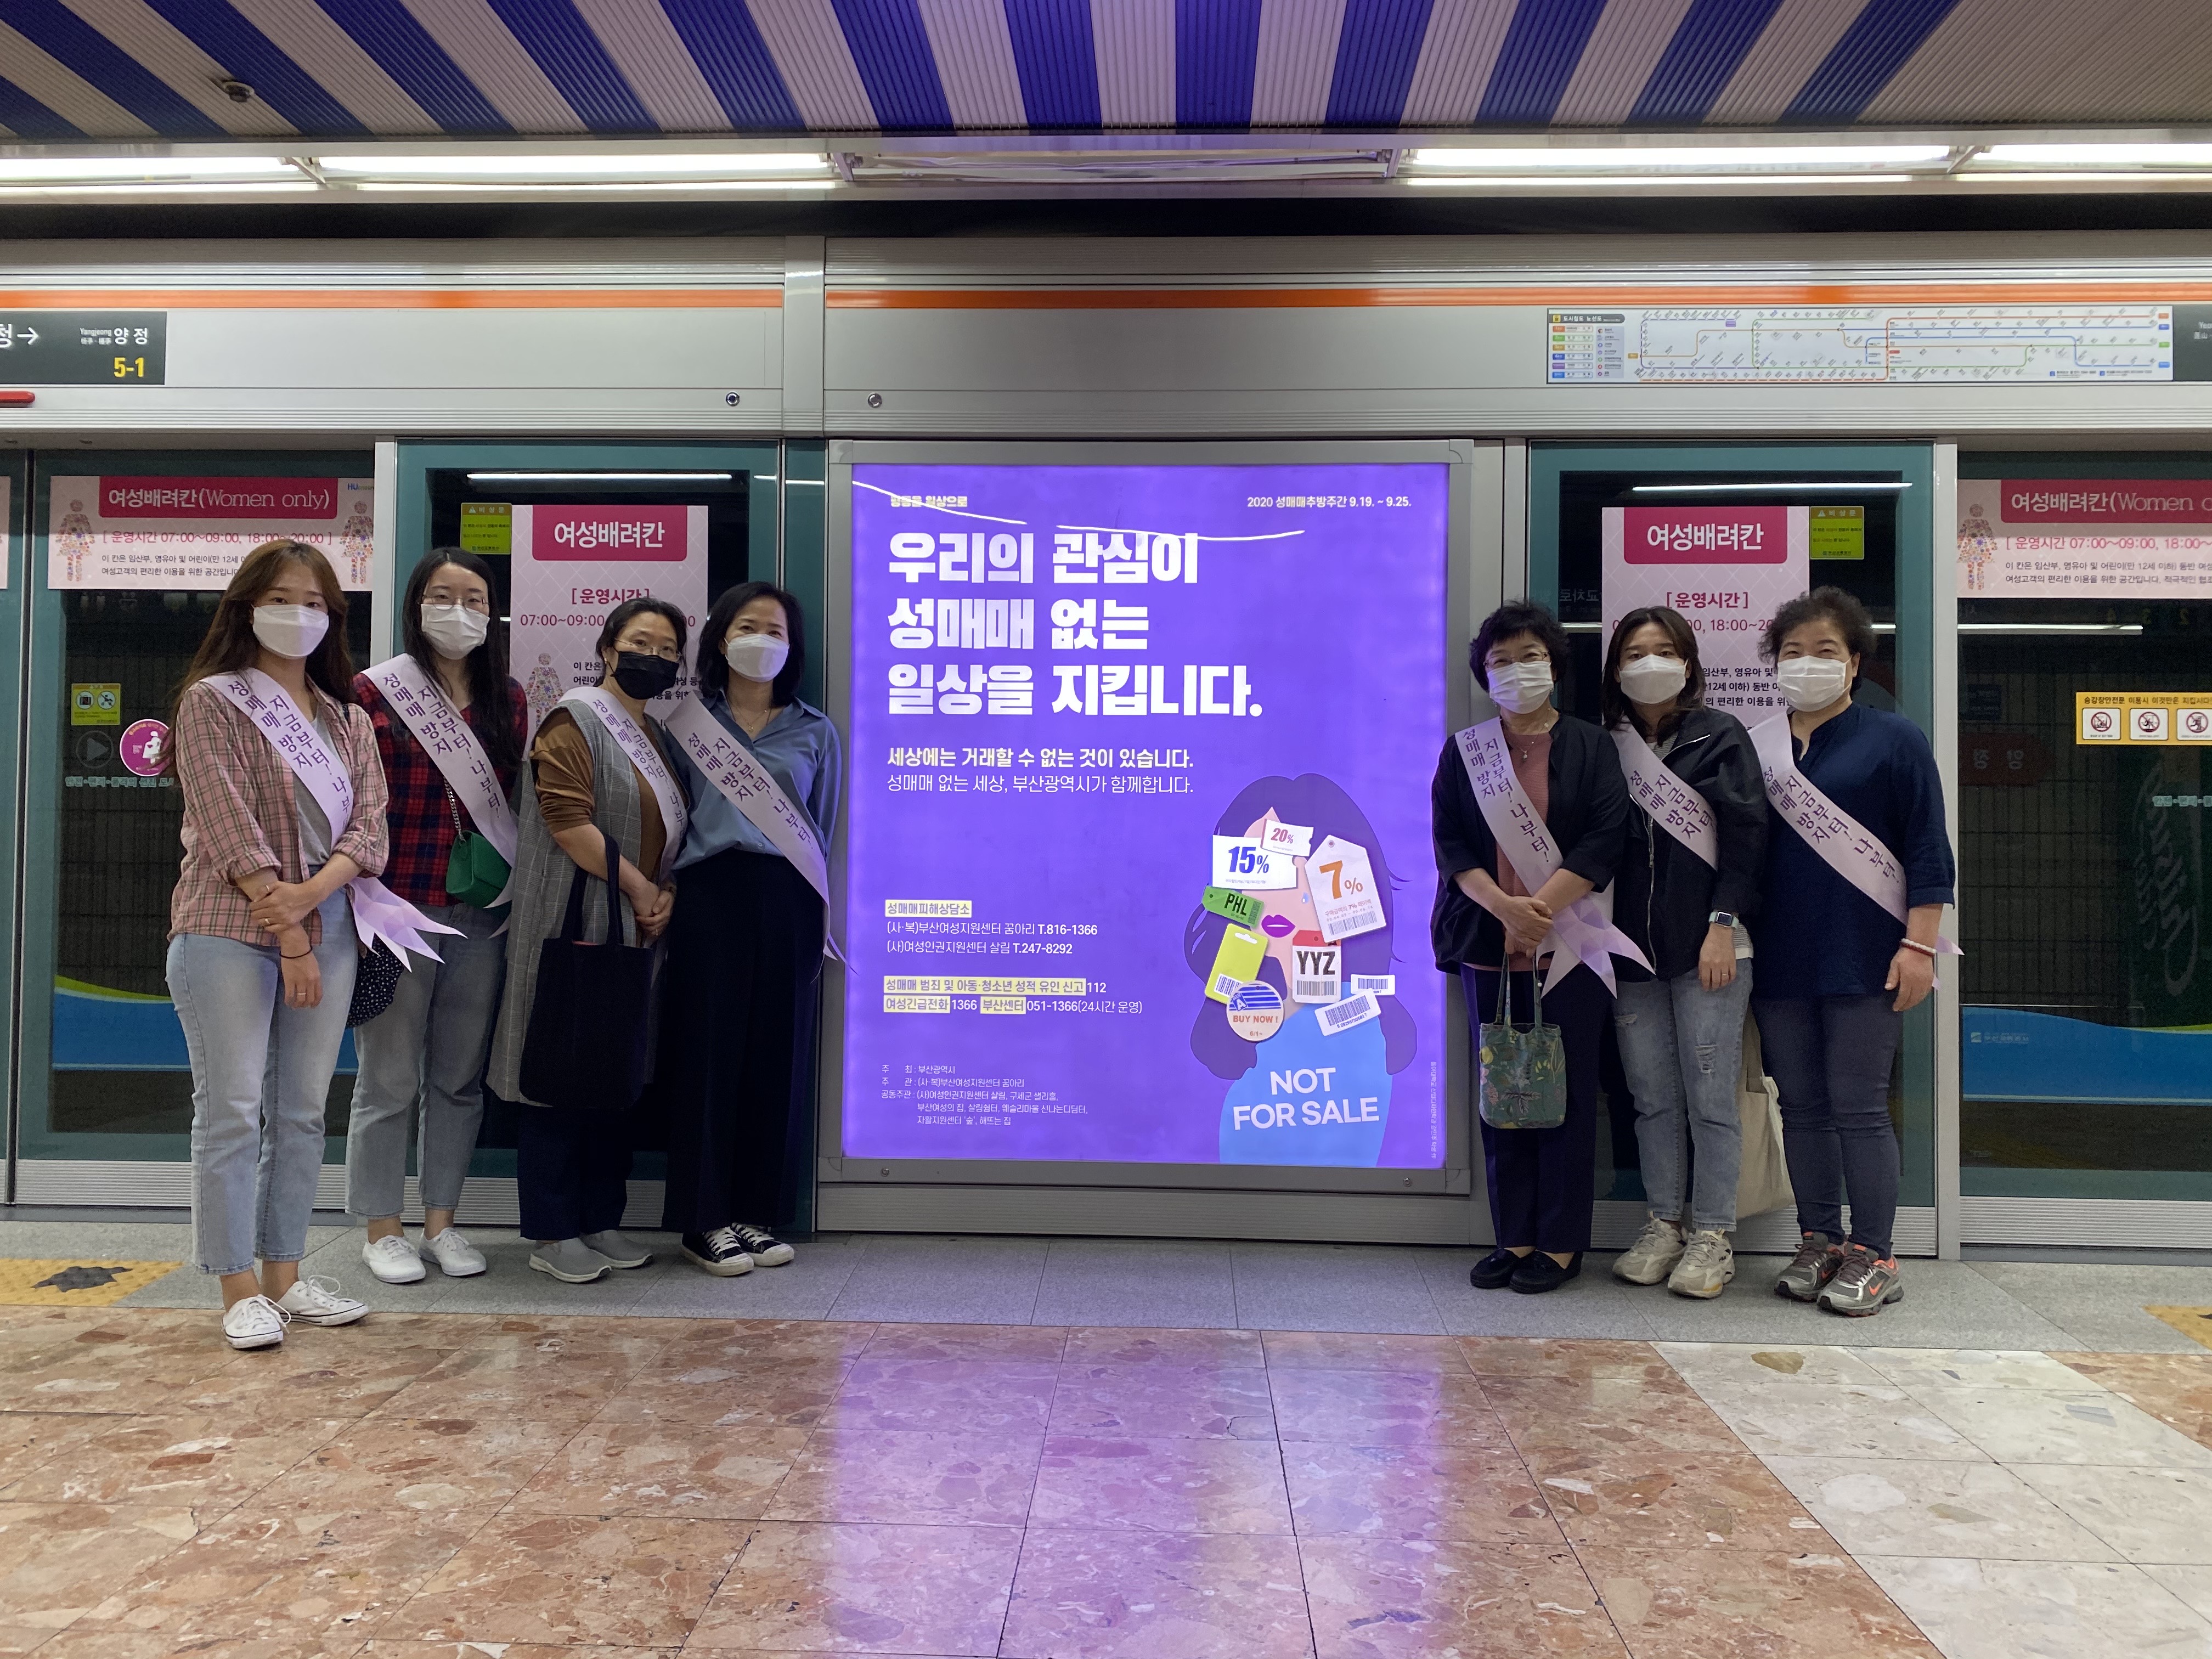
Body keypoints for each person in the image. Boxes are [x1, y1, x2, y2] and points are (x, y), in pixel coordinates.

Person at [166, 539, 384, 1349]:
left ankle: (285, 1277)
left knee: (301, 1112)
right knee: (230, 1110)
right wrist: (287, 926)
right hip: (227, 930)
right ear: (246, 608)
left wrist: (313, 896)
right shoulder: (212, 702)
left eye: (315, 603)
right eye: (282, 599)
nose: (299, 615)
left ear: (334, 618)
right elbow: (227, 823)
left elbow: (370, 827)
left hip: (329, 929)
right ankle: (236, 1287)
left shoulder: (348, 718)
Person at [1753, 586, 1955, 1317]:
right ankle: (1820, 1241)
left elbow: (1928, 847)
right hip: (1780, 957)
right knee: (1802, 1107)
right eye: (1793, 651)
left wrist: (1920, 945)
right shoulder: (1760, 748)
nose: (1807, 663)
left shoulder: (1894, 739)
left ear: (1856, 662)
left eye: (1825, 651)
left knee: (1860, 1106)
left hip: (1868, 954)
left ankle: (1876, 1254)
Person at [486, 597, 688, 1284]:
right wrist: (641, 889)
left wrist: (665, 894)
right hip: (572, 925)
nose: (654, 658)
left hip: (634, 932)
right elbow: (568, 821)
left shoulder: (658, 739)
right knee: (557, 1073)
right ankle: (552, 1230)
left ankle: (601, 1217)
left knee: (612, 1075)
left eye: (668, 650)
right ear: (607, 649)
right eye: (641, 643)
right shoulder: (574, 720)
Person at [1432, 601, 1629, 1295]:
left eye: (1531, 657)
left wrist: (1538, 913)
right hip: (1489, 942)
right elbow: (1451, 844)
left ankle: (1561, 1242)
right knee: (1505, 1092)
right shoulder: (1466, 751)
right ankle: (1512, 1236)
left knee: (1565, 1096)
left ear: (1554, 665)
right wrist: (1506, 911)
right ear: (1484, 675)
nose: (1518, 671)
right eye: (1502, 661)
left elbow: (1605, 839)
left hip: (1571, 947)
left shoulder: (1592, 746)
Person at [345, 550, 526, 1285]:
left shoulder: (508, 698)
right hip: (394, 908)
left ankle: (443, 1222)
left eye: (475, 598)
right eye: (443, 596)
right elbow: (350, 801)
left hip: (479, 912)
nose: (460, 611)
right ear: (415, 606)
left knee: (458, 1077)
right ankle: (381, 1228)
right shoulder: (371, 692)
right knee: (388, 1078)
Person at [657, 583, 840, 1274]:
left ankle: (757, 1213)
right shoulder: (686, 724)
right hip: (710, 893)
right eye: (747, 626)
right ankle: (702, 1219)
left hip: (789, 896)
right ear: (721, 638)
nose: (761, 639)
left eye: (776, 630)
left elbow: (824, 825)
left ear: (793, 648)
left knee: (778, 1052)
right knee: (706, 1051)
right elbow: (669, 816)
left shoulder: (815, 731)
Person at [1600, 607, 1768, 1300]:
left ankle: (1714, 1234)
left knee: (1711, 1097)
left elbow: (1748, 838)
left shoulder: (1720, 736)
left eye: (1665, 650)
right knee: (1652, 1099)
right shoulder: (1604, 744)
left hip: (1712, 946)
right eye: (1635, 652)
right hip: (1630, 951)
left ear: (1690, 663)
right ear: (1616, 668)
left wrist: (1722, 924)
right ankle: (1664, 1223)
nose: (1650, 663)